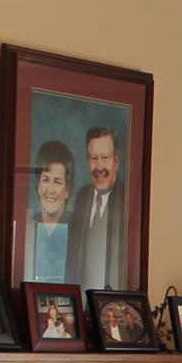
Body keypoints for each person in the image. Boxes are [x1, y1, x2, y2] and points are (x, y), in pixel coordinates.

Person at [65, 125, 126, 291]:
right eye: (94, 158)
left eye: (105, 158)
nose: (99, 167)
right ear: (87, 161)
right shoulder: (81, 197)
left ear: (116, 161)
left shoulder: (127, 201)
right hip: (81, 303)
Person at [25, 140, 74, 282]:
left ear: (67, 190)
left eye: (58, 182)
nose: (50, 190)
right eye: (46, 180)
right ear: (38, 185)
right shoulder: (27, 225)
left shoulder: (78, 229)